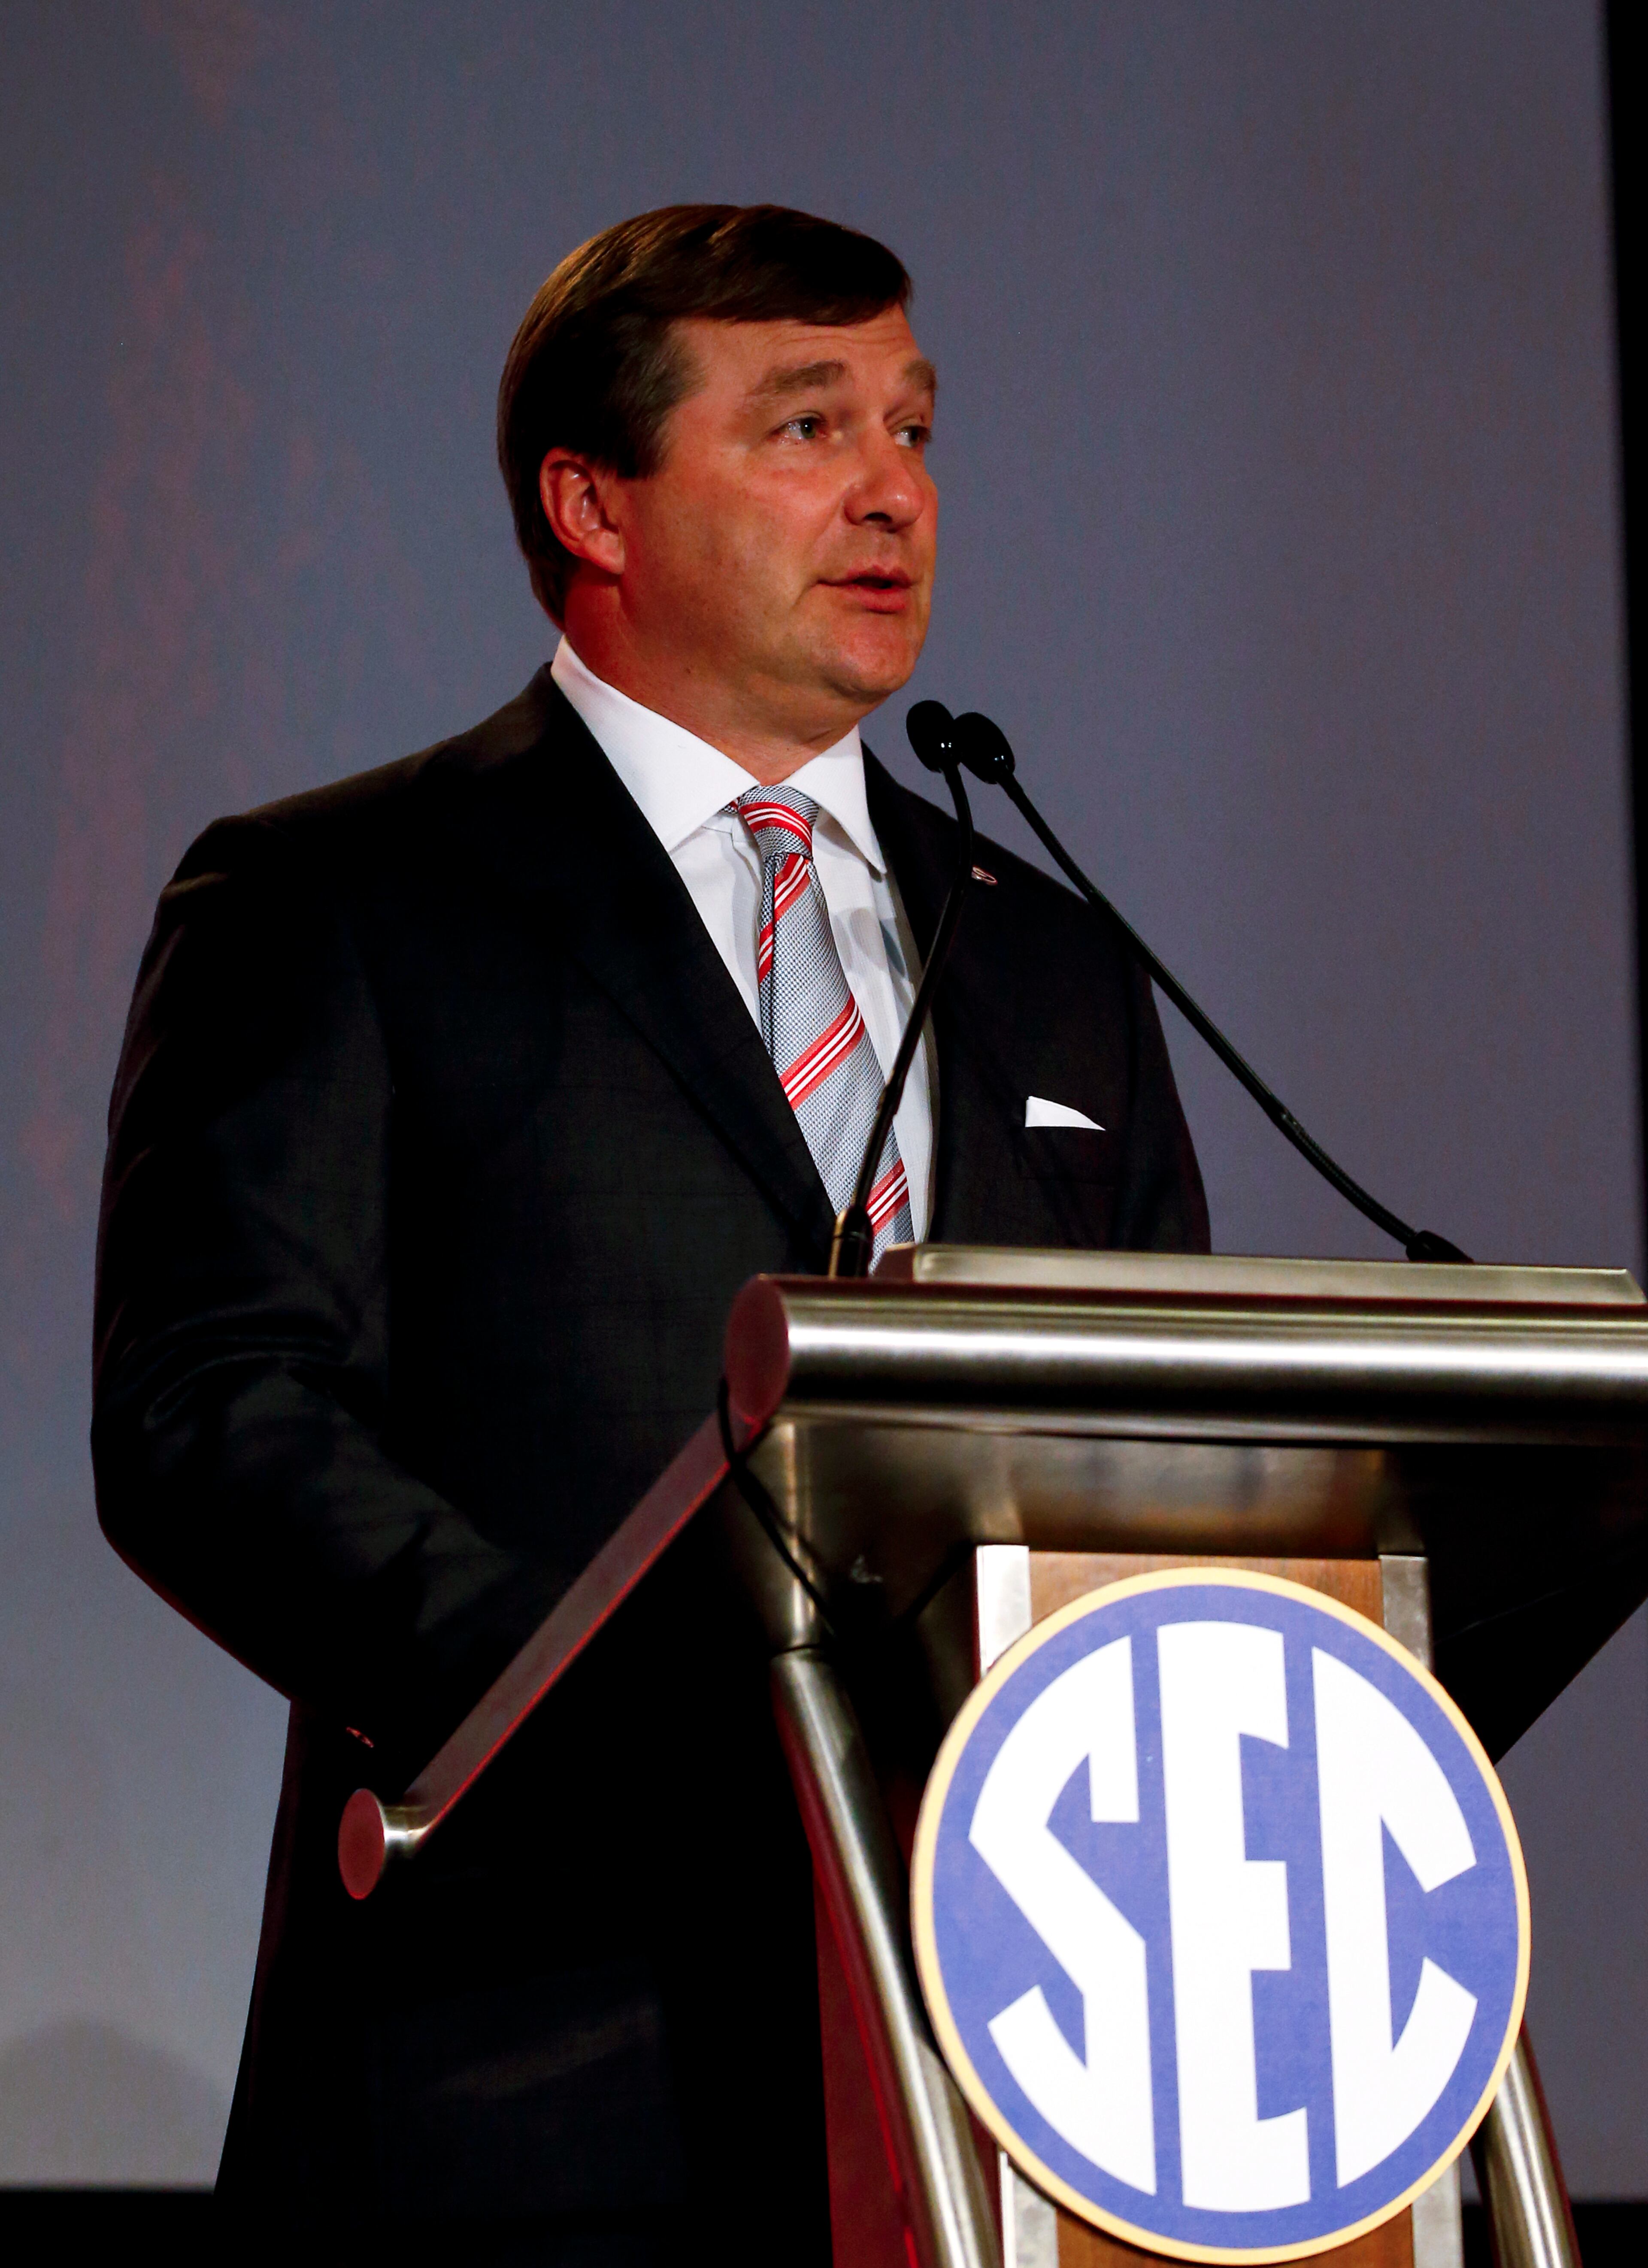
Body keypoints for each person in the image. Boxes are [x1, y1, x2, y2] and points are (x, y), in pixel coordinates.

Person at [92, 204, 1208, 2263]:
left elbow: (1172, 1452)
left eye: (914, 424)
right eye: (804, 424)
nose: (893, 487)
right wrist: (632, 1718)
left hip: (1029, 2088)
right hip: (536, 2070)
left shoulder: (1053, 962)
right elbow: (214, 1412)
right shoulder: (341, 897)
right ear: (592, 503)